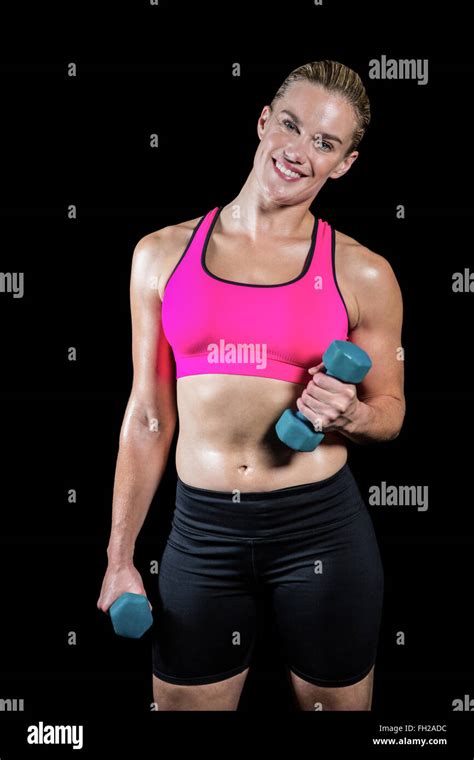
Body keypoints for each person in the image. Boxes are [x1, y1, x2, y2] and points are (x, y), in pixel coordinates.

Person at [97, 60, 405, 711]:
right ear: (264, 121)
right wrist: (120, 554)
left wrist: (350, 413)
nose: (299, 152)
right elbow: (148, 418)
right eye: (291, 126)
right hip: (202, 532)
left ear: (345, 163)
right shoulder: (161, 254)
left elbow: (391, 413)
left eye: (324, 143)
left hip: (321, 529)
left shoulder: (363, 272)